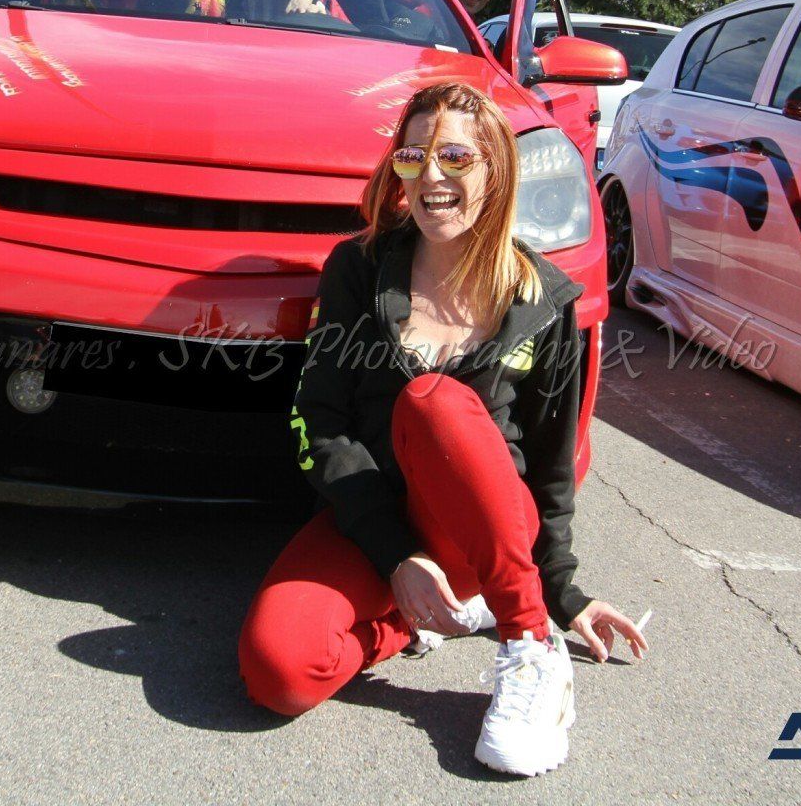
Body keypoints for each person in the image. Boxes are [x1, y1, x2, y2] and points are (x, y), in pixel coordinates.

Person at [238, 81, 647, 777]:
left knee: (433, 401)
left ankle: (528, 647)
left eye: (455, 158)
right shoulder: (359, 269)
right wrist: (397, 554)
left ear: (495, 168)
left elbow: (548, 467)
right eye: (412, 158)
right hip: (377, 520)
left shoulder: (543, 301)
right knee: (277, 669)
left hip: (484, 530)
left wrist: (561, 593)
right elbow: (319, 421)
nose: (430, 177)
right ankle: (424, 617)